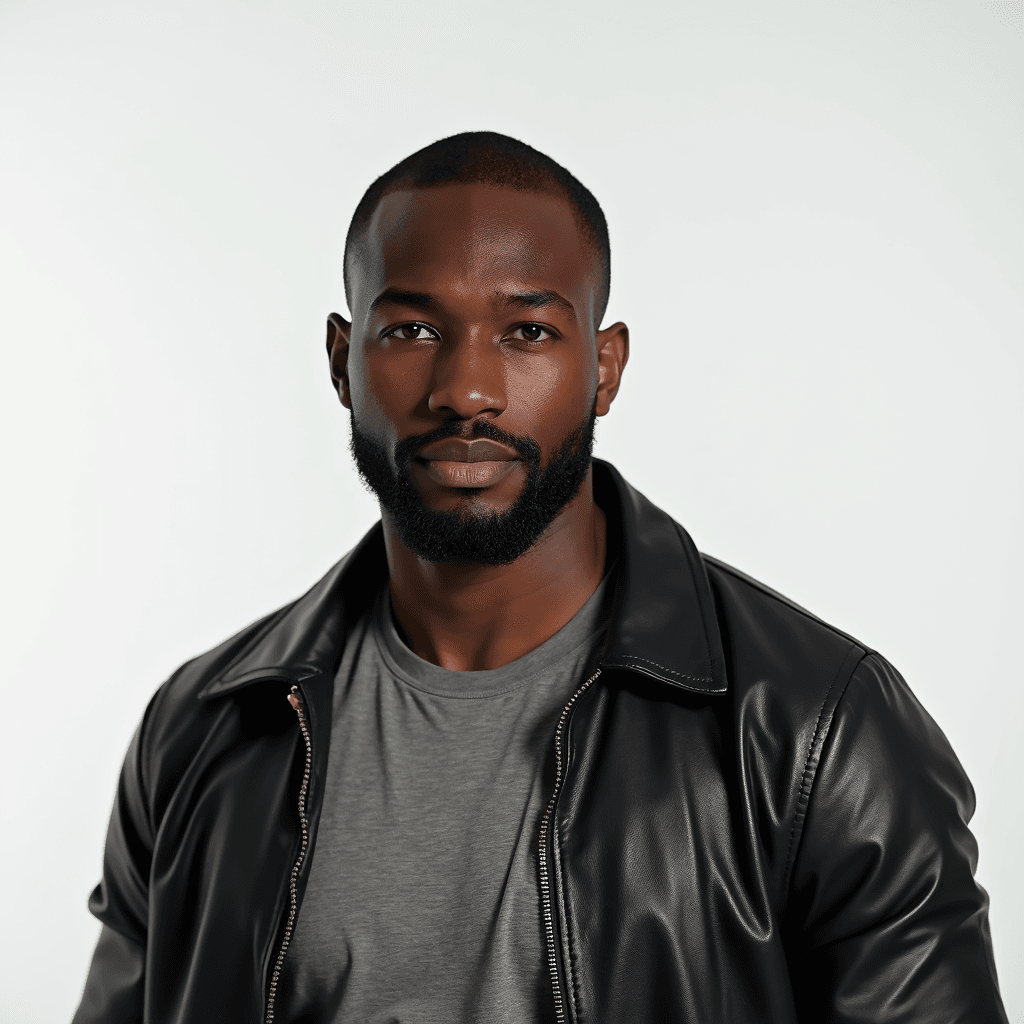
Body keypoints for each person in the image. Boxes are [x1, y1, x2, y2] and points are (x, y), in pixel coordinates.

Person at [72, 131, 1007, 1024]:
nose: (466, 390)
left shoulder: (820, 732)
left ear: (603, 370)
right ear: (340, 362)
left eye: (525, 331)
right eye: (411, 329)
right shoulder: (202, 729)